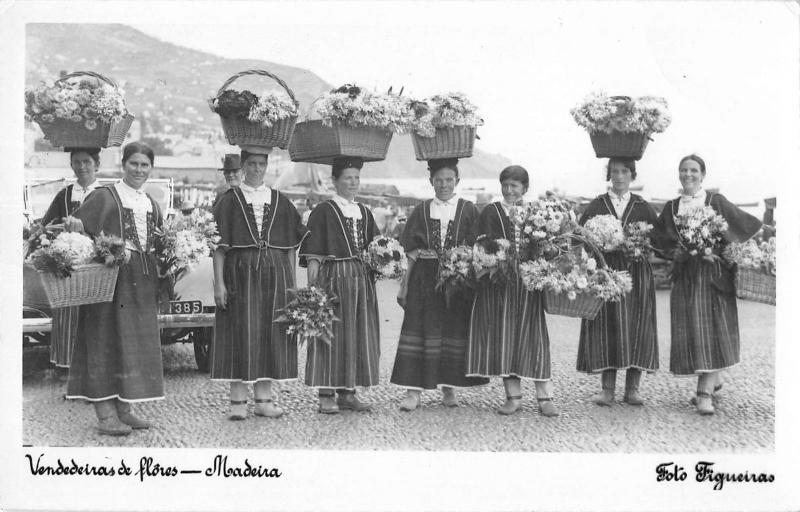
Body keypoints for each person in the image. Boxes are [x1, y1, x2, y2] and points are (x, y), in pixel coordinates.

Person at [64, 142, 163, 436]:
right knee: (103, 340)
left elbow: (156, 243)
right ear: (123, 164)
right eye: (134, 164)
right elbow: (79, 230)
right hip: (110, 280)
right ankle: (105, 414)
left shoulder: (151, 202)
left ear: (151, 169)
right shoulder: (105, 196)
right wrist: (76, 228)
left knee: (131, 344)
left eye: (145, 165)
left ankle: (124, 408)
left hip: (141, 282)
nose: (139, 170)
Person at [657, 154, 762, 415]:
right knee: (692, 332)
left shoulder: (715, 202)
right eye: (684, 170)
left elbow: (743, 226)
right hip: (684, 277)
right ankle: (713, 378)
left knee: (709, 332)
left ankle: (704, 393)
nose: (688, 174)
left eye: (694, 170)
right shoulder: (672, 207)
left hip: (713, 276)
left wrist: (722, 251)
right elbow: (659, 239)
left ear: (703, 175)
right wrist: (678, 253)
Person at [211, 146, 308, 420]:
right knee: (240, 332)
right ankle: (237, 401)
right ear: (243, 166)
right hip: (239, 272)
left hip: (276, 275)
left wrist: (292, 286)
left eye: (260, 164)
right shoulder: (229, 201)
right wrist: (219, 284)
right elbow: (218, 247)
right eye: (251, 164)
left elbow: (290, 247)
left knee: (269, 334)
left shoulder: (279, 200)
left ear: (267, 166)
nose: (255, 169)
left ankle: (264, 400)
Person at [391, 158, 487, 410]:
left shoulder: (468, 210)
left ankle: (449, 389)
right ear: (430, 182)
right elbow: (410, 252)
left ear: (457, 181)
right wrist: (404, 284)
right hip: (424, 278)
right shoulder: (422, 210)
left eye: (448, 180)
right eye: (438, 180)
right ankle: (413, 392)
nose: (443, 185)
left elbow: (478, 248)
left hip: (458, 280)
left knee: (452, 331)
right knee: (419, 329)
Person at [466, 165, 558, 417]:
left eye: (514, 186)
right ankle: (513, 397)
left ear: (525, 188)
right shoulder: (491, 211)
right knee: (504, 338)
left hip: (529, 283)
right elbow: (478, 244)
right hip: (500, 285)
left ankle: (545, 397)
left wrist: (548, 255)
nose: (509, 191)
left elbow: (553, 245)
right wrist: (490, 259)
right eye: (505, 185)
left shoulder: (537, 213)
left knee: (535, 337)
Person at [299, 156, 381, 414]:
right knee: (328, 333)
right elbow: (313, 254)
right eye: (348, 178)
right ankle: (326, 394)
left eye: (356, 178)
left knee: (357, 334)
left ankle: (348, 392)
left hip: (361, 281)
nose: (353, 183)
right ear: (335, 180)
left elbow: (377, 247)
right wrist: (313, 289)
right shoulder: (323, 211)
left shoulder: (365, 212)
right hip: (333, 278)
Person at [577, 158, 660, 406]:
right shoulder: (597, 204)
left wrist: (641, 245)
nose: (619, 176)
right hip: (606, 272)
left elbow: (655, 240)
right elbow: (581, 238)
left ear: (632, 175)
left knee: (638, 326)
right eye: (615, 171)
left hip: (637, 275)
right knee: (607, 326)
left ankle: (632, 388)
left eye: (624, 171)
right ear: (609, 174)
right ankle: (607, 389)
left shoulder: (642, 206)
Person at [40, 147, 101, 369]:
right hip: (69, 266)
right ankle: (67, 369)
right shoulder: (65, 195)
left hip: (98, 267)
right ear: (71, 165)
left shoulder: (106, 193)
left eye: (87, 161)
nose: (82, 166)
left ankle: (95, 371)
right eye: (77, 162)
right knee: (67, 313)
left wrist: (88, 231)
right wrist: (59, 232)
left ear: (97, 164)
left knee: (96, 317)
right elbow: (45, 226)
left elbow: (115, 228)